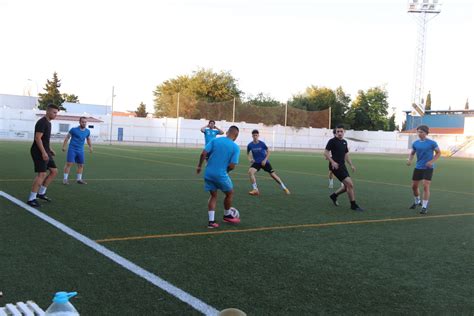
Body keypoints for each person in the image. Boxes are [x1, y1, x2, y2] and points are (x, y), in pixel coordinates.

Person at [197, 126, 241, 229]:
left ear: (227, 132)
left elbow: (203, 153)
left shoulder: (215, 140)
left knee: (213, 195)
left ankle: (211, 222)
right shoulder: (235, 147)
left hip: (208, 173)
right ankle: (227, 215)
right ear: (236, 136)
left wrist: (199, 166)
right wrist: (226, 172)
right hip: (220, 174)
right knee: (230, 193)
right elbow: (232, 166)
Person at [324, 125, 364, 211]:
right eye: (337, 131)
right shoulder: (332, 141)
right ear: (335, 132)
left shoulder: (345, 142)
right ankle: (353, 205)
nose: (339, 133)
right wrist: (333, 162)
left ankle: (334, 196)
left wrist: (351, 165)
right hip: (335, 167)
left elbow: (346, 154)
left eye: (341, 131)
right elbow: (325, 152)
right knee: (350, 185)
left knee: (346, 187)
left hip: (343, 166)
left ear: (344, 132)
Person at [27, 104, 60, 207]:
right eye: (54, 112)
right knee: (42, 174)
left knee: (54, 171)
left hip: (45, 150)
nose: (56, 115)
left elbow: (45, 139)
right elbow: (38, 138)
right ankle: (31, 199)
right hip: (38, 151)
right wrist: (43, 152)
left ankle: (41, 193)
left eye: (56, 113)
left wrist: (49, 149)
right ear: (48, 111)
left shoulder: (48, 123)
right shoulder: (42, 122)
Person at [406, 125, 441, 214]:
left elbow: (438, 153)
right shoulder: (415, 143)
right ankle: (417, 201)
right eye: (418, 131)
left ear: (426, 133)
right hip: (418, 167)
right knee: (414, 187)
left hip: (428, 168)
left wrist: (432, 162)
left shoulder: (432, 143)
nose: (419, 133)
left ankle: (424, 206)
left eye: (421, 132)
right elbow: (412, 153)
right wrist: (409, 160)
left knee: (425, 186)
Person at [247, 129, 290, 196]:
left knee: (273, 175)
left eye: (256, 135)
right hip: (257, 162)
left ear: (258, 135)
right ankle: (255, 189)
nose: (255, 136)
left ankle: (284, 187)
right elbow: (248, 153)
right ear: (252, 136)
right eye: (254, 135)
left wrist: (265, 160)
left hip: (265, 162)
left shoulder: (262, 144)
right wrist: (250, 159)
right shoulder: (250, 145)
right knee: (250, 172)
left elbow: (268, 151)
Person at [62, 117, 93, 185]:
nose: (84, 123)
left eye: (85, 122)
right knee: (69, 164)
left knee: (81, 165)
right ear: (79, 122)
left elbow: (88, 139)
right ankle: (65, 179)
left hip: (80, 150)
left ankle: (79, 179)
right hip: (72, 149)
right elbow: (67, 137)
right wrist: (64, 146)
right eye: (82, 122)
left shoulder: (87, 131)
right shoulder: (73, 130)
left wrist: (90, 147)